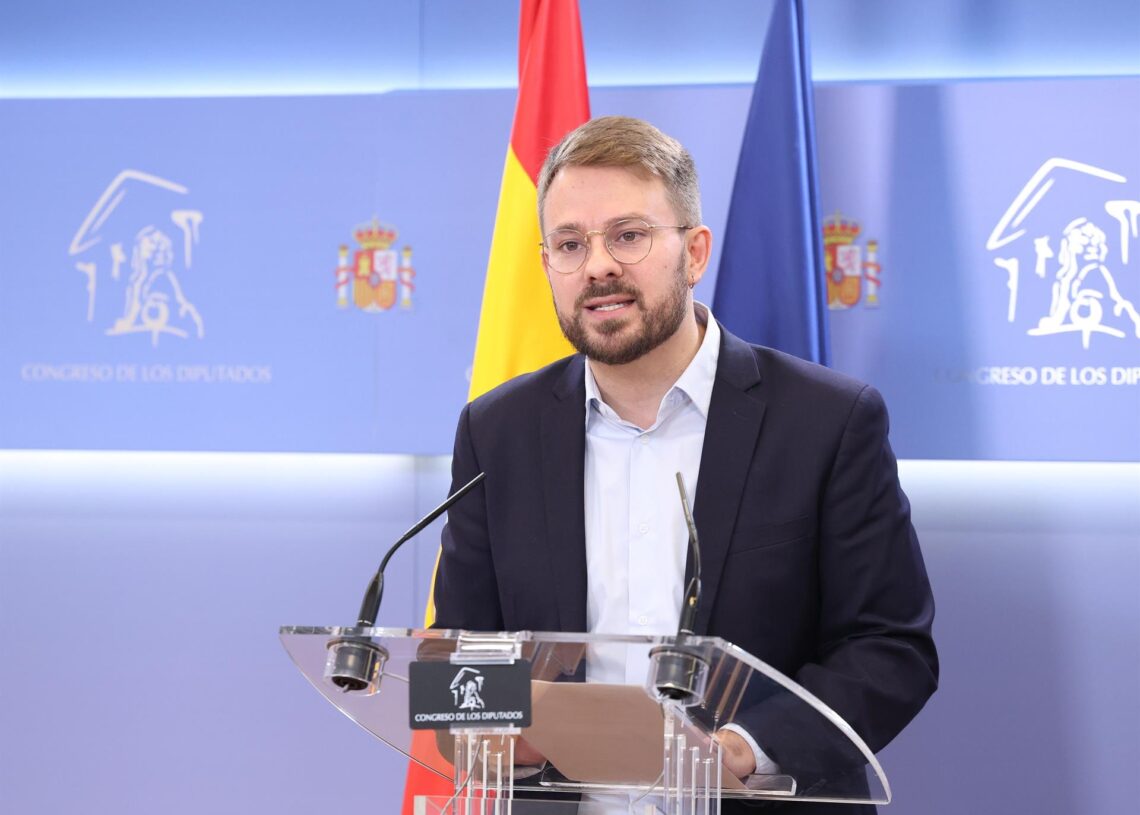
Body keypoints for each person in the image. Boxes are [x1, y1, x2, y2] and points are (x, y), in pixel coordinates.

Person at [433, 116, 937, 814]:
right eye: (571, 244)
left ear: (695, 252)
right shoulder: (497, 431)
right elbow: (463, 653)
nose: (599, 264)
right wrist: (486, 730)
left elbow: (889, 649)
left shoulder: (827, 422)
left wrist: (744, 745)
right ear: (546, 263)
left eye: (628, 235)